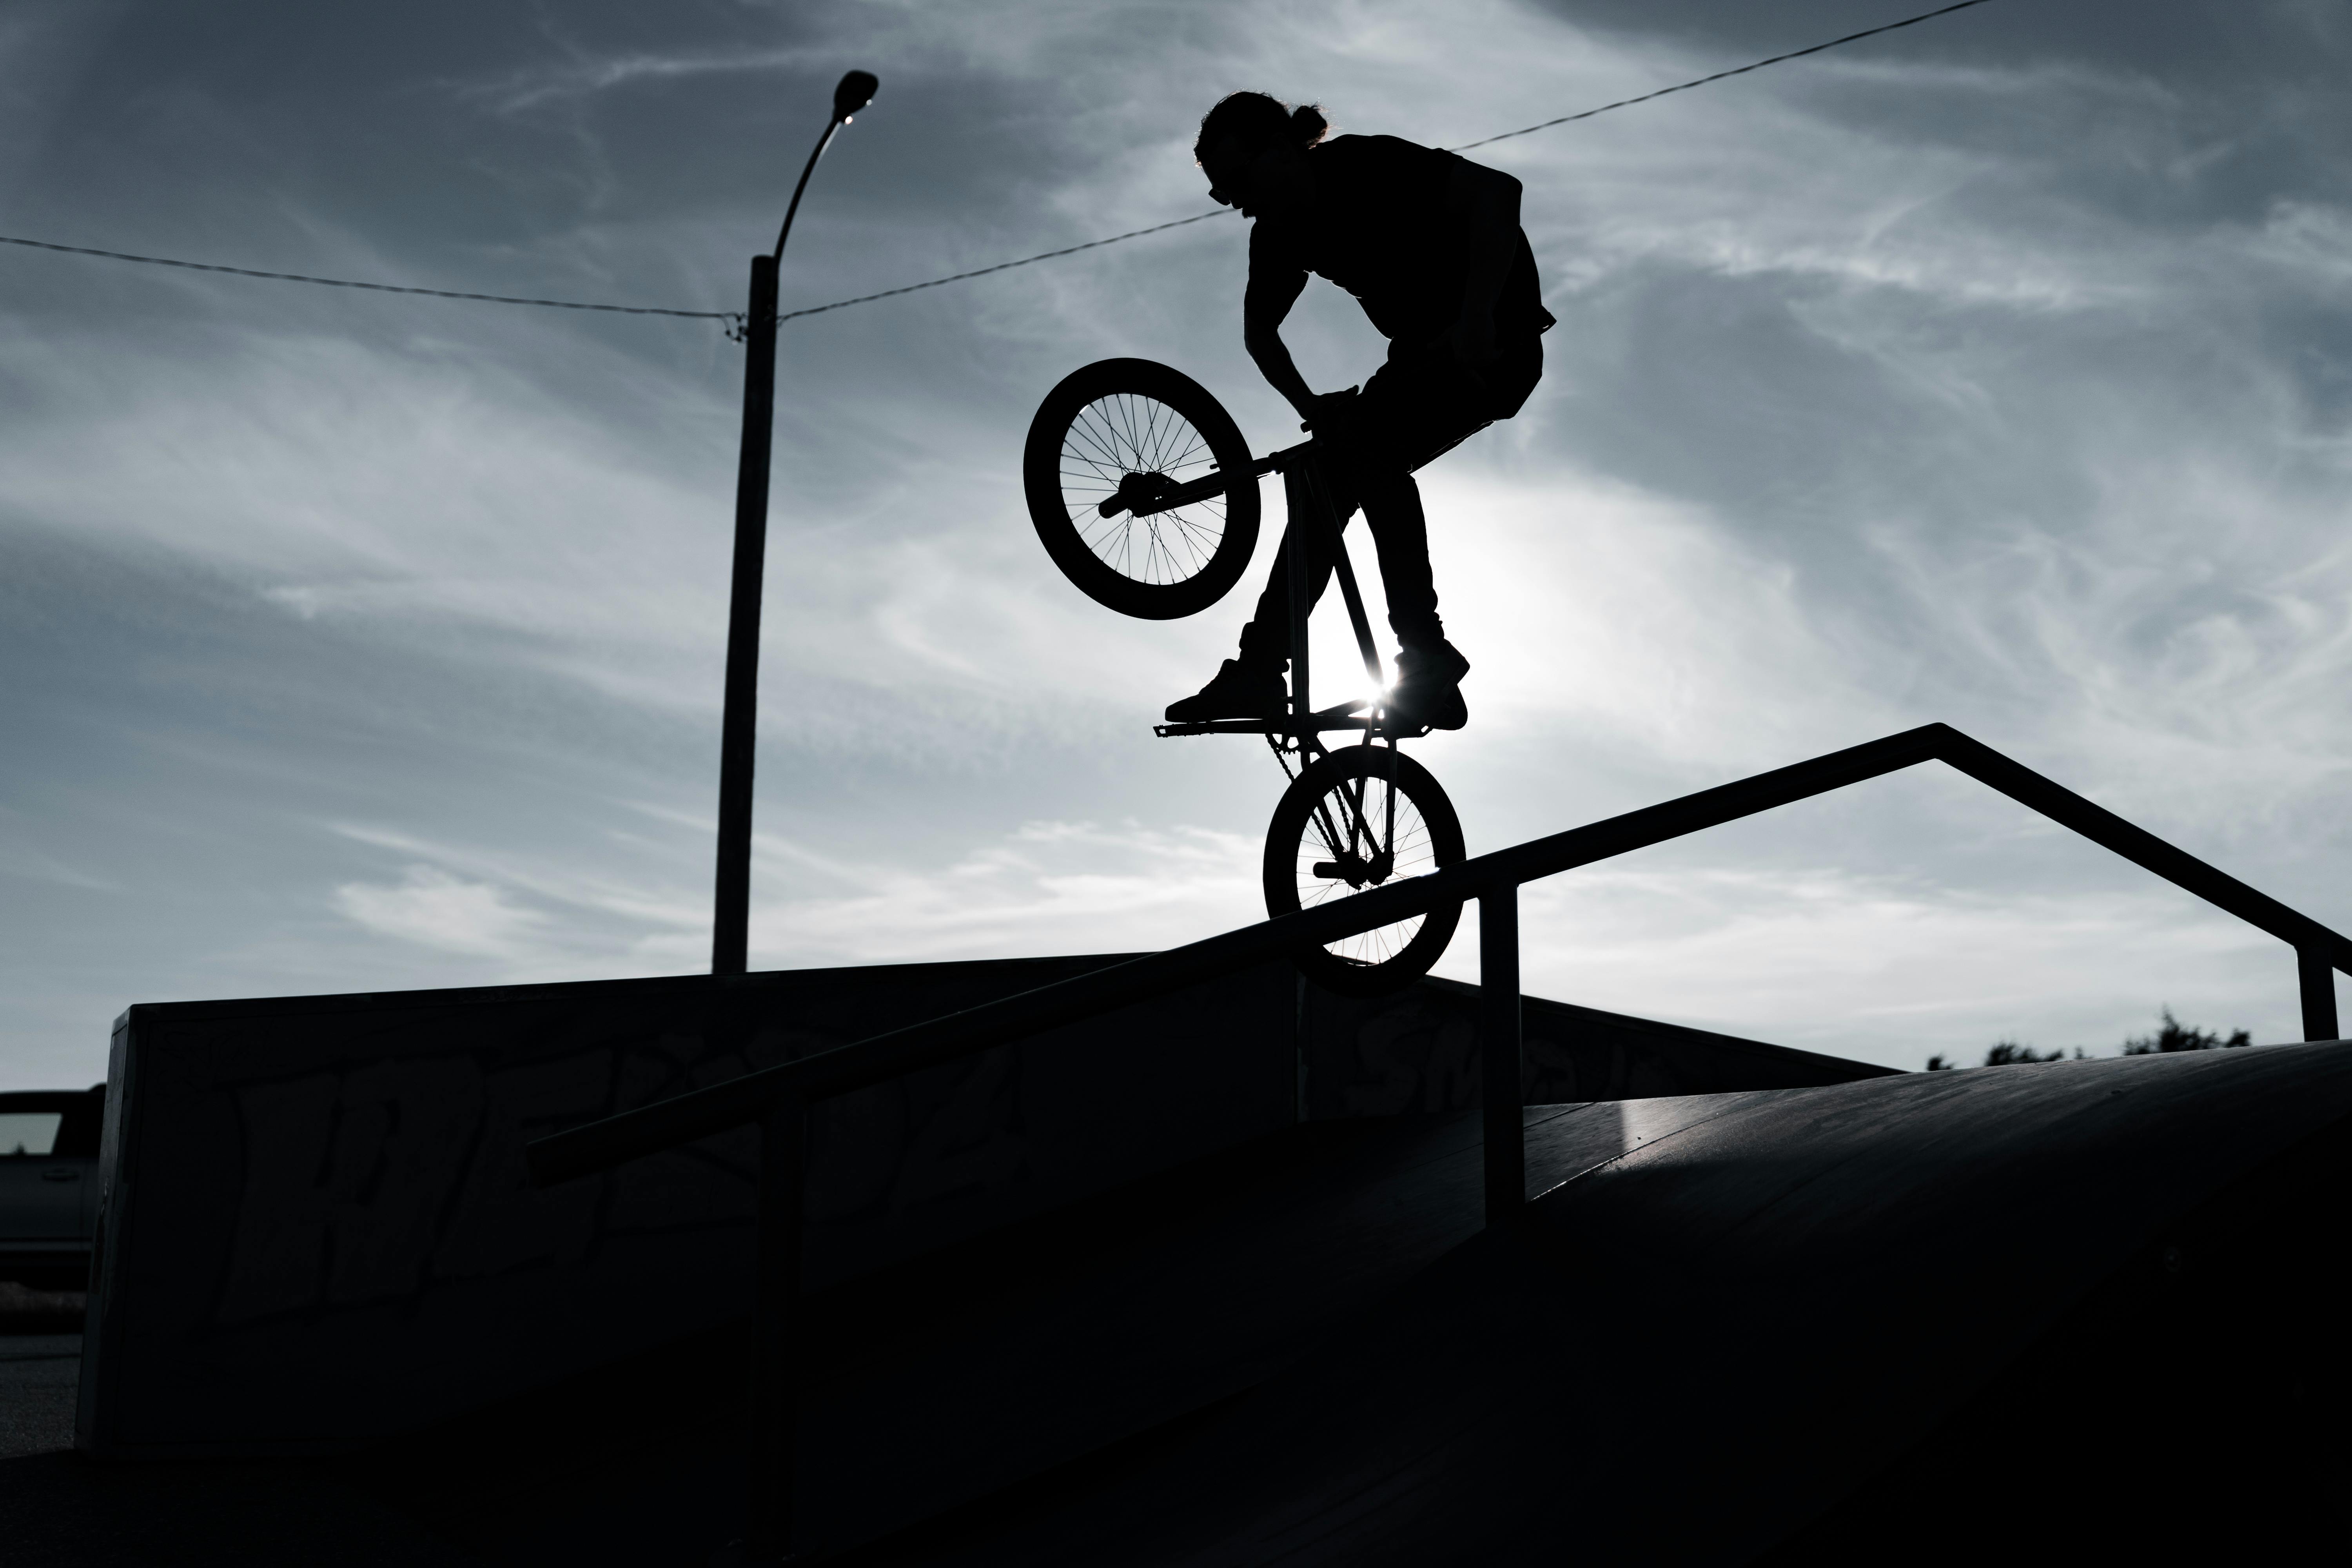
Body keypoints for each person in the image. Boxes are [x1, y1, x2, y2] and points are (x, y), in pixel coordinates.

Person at [1166, 92, 1553, 731]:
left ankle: (1425, 654)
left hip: (1498, 343)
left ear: (1285, 147)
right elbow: (1260, 333)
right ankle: (1262, 671)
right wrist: (1310, 405)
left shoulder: (1367, 166)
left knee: (1367, 447)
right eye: (1222, 194)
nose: (1236, 201)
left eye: (1239, 181)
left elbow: (1497, 194)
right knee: (1327, 479)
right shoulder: (1280, 237)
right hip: (1421, 358)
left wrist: (1480, 313)